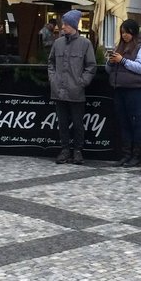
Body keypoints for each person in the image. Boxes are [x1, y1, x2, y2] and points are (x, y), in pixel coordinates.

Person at [47, 9, 96, 165]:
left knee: (77, 122)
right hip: (59, 90)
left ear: (74, 25)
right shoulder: (57, 43)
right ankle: (65, 149)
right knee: (62, 122)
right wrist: (53, 79)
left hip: (76, 91)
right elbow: (51, 63)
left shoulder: (85, 44)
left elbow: (91, 66)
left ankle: (77, 151)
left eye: (66, 24)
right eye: (63, 24)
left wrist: (82, 82)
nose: (63, 27)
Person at [105, 19, 141, 168]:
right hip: (120, 89)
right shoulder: (119, 47)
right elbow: (109, 70)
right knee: (123, 123)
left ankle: (137, 156)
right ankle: (126, 154)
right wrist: (111, 62)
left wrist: (122, 60)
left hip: (135, 91)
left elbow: (140, 67)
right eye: (122, 32)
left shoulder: (140, 48)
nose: (124, 35)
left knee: (136, 123)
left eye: (127, 32)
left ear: (133, 32)